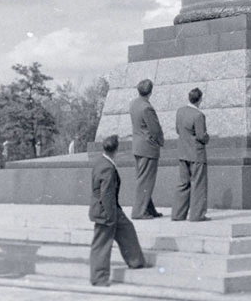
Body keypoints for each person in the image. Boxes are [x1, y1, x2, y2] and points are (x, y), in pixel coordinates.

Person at [88, 134, 145, 287]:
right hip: (106, 212)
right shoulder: (108, 167)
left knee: (127, 230)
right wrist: (109, 217)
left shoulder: (101, 162)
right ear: (116, 150)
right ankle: (99, 278)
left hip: (110, 209)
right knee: (102, 244)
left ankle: (136, 261)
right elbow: (106, 194)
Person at [171, 87, 210, 222]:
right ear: (200, 100)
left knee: (183, 183)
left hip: (182, 152)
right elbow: (200, 136)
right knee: (198, 184)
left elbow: (178, 129)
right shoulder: (199, 115)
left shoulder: (180, 112)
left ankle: (177, 214)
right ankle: (197, 215)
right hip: (196, 154)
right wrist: (207, 137)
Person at [129, 79, 165, 219]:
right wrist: (160, 141)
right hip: (148, 147)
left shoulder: (134, 104)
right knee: (145, 180)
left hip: (138, 146)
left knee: (143, 178)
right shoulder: (146, 107)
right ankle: (139, 211)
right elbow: (154, 129)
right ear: (150, 91)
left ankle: (149, 209)